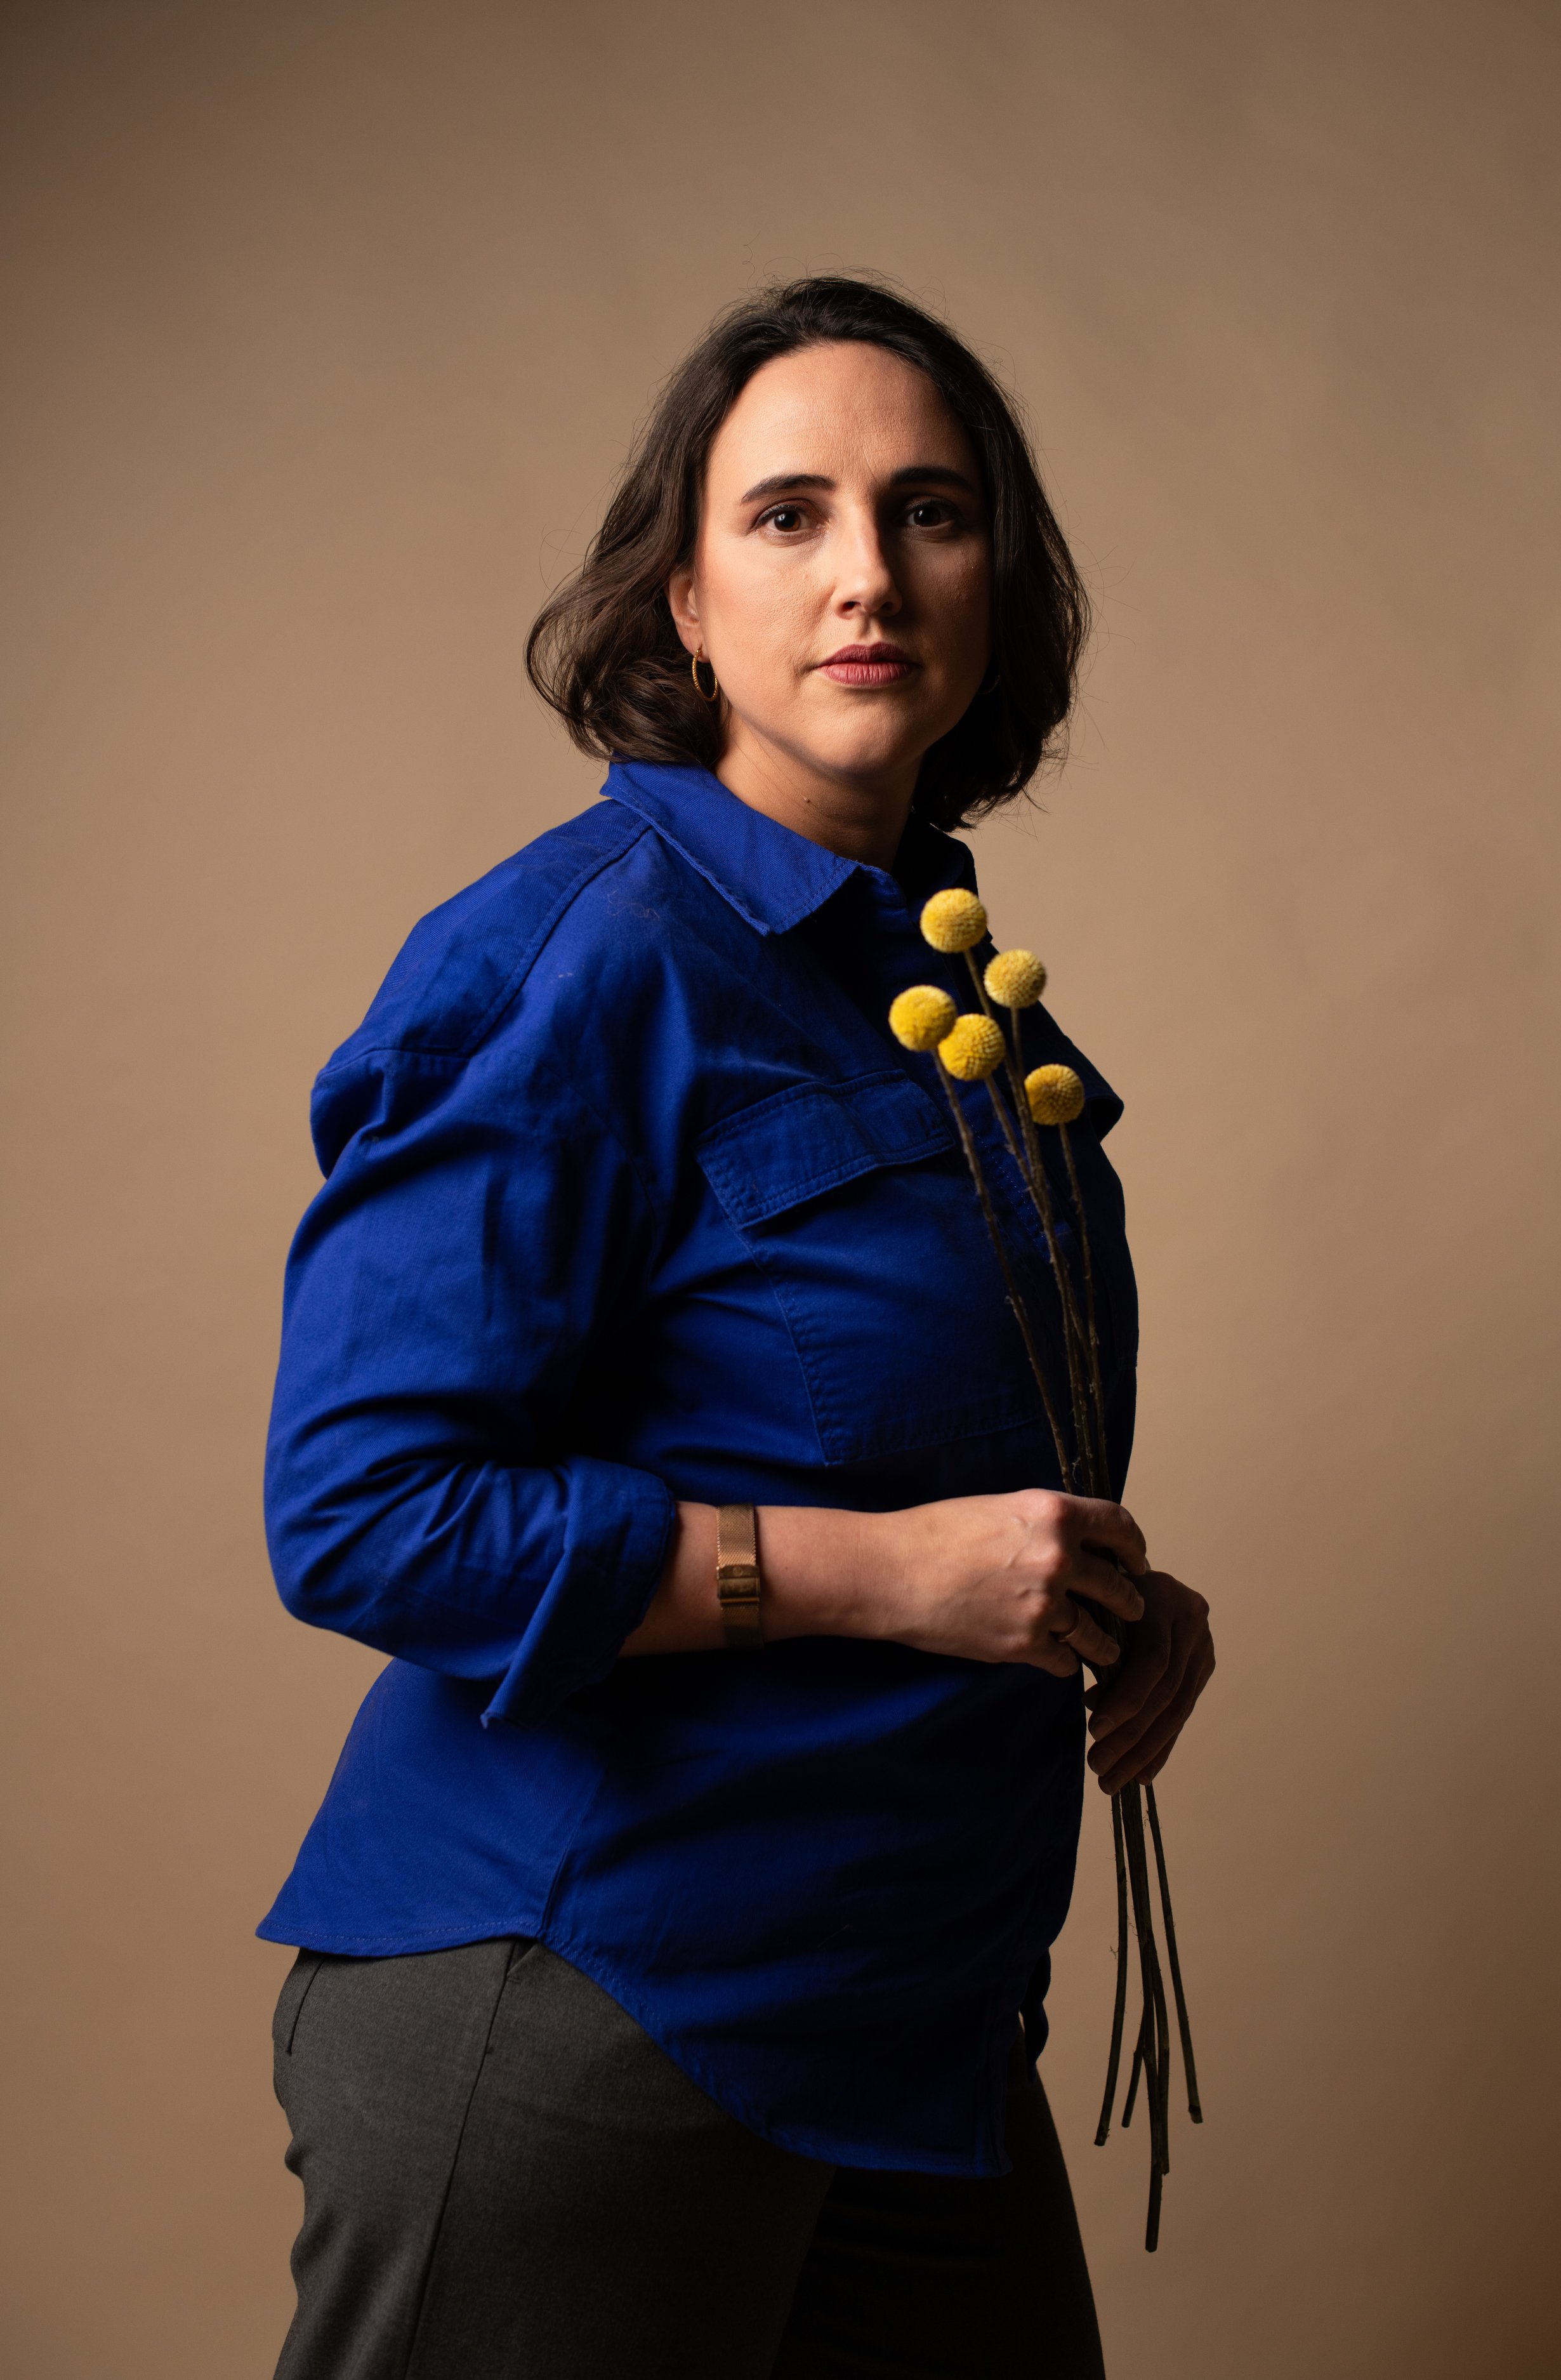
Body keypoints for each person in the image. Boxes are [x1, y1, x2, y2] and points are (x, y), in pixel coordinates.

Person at [260, 275, 1215, 2380]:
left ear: (997, 586)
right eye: (787, 515)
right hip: (594, 2014)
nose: (867, 571)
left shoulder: (957, 997)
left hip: (916, 2034)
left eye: (930, 510)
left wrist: (1097, 1596)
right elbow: (361, 1512)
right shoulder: (573, 960)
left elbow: (909, 1443)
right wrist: (893, 1575)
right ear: (681, 602)